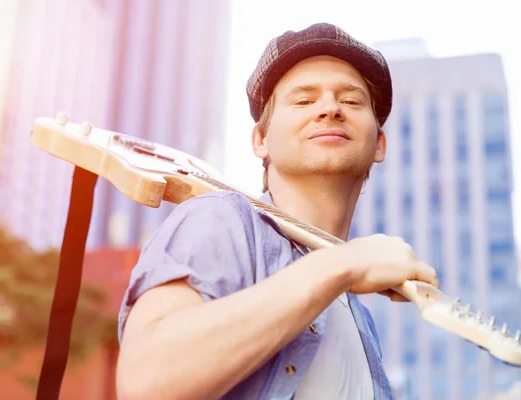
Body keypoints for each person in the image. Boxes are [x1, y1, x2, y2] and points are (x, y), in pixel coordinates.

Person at [115, 22, 438, 400]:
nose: (330, 108)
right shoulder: (222, 219)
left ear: (379, 143)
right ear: (261, 140)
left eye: (351, 101)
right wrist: (343, 265)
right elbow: (146, 382)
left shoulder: (357, 314)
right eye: (303, 100)